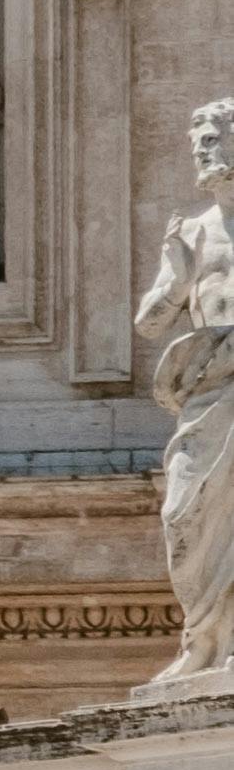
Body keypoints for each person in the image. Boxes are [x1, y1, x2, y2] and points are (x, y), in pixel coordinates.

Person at [151, 100, 234, 691]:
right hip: (209, 390)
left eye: (214, 139)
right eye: (198, 142)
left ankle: (219, 647)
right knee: (183, 511)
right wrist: (174, 283)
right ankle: (201, 635)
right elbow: (151, 318)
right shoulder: (189, 230)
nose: (204, 150)